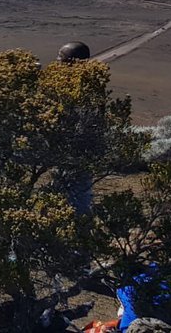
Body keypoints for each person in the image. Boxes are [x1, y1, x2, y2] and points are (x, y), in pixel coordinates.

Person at [54, 41, 94, 215]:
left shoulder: (83, 87)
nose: (57, 60)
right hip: (65, 149)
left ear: (73, 62)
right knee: (65, 189)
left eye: (61, 57)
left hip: (78, 151)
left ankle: (79, 226)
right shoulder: (66, 81)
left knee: (76, 192)